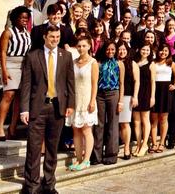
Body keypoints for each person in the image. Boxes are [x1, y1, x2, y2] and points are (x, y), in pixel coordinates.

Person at [19, 25, 75, 194]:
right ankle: (32, 185)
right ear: (45, 37)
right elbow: (26, 85)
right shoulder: (32, 56)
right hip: (37, 107)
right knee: (34, 148)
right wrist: (24, 109)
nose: (55, 40)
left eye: (57, 37)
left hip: (57, 107)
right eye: (52, 37)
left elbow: (70, 83)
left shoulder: (66, 56)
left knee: (52, 148)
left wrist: (70, 104)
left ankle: (49, 184)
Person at [0, 6, 32, 141]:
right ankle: (0, 127)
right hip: (11, 64)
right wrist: (4, 70)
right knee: (9, 94)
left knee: (19, 98)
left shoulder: (28, 33)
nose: (24, 20)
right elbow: (3, 52)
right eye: (22, 17)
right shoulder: (8, 32)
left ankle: (12, 127)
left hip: (25, 65)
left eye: (26, 18)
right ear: (15, 18)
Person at [65, 36, 98, 171]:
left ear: (89, 46)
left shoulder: (93, 63)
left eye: (84, 46)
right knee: (76, 130)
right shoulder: (73, 62)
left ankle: (86, 160)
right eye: (79, 46)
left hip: (87, 100)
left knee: (86, 129)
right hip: (75, 100)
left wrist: (92, 101)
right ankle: (78, 159)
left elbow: (95, 84)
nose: (81, 48)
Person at [92, 41, 125, 165]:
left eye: (112, 49)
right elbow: (94, 82)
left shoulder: (119, 64)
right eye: (108, 49)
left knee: (113, 124)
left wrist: (121, 101)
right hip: (99, 95)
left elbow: (121, 83)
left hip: (113, 94)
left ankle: (111, 155)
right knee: (98, 125)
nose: (110, 52)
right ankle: (97, 156)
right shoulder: (98, 63)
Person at [150, 44, 175, 153]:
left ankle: (162, 142)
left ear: (169, 52)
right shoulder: (153, 63)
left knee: (163, 119)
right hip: (154, 90)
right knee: (154, 119)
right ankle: (154, 143)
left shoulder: (171, 63)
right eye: (161, 50)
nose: (163, 53)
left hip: (166, 92)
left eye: (166, 51)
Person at [132, 40, 156, 157]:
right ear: (139, 50)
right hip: (136, 93)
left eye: (147, 50)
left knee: (145, 120)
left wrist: (152, 97)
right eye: (143, 49)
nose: (145, 51)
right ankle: (138, 144)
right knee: (136, 121)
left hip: (146, 93)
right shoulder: (135, 62)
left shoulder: (151, 64)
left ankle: (145, 144)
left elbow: (153, 82)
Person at [117, 42, 139, 159]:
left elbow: (137, 81)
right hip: (114, 95)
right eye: (120, 49)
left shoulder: (132, 63)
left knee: (125, 123)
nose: (122, 52)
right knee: (117, 124)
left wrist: (135, 96)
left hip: (127, 96)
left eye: (124, 49)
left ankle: (126, 148)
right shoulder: (114, 62)